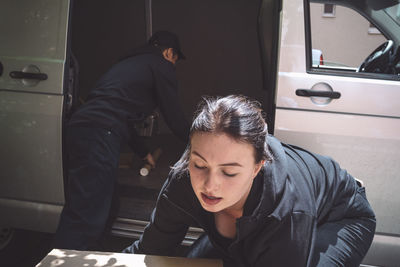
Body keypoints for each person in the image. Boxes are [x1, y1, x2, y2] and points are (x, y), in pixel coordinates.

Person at [123, 95, 376, 266]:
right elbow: (150, 251)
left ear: (258, 167)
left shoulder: (287, 211)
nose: (210, 185)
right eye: (200, 165)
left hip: (338, 220)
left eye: (229, 172)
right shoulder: (182, 181)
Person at [53, 31, 190, 250]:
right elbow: (173, 116)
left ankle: (89, 256)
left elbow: (119, 114)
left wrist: (143, 152)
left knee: (105, 202)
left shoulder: (129, 64)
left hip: (82, 128)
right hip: (99, 132)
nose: (173, 64)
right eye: (175, 59)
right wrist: (200, 139)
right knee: (85, 213)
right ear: (168, 52)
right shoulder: (160, 65)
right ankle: (65, 261)